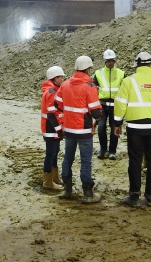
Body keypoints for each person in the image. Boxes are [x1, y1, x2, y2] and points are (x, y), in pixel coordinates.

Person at [113, 52, 151, 207]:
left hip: (135, 128)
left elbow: (120, 103)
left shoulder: (128, 81)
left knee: (135, 161)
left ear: (136, 65)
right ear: (150, 65)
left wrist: (117, 124)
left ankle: (134, 196)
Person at [60, 55, 103, 203]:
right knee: (85, 161)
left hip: (69, 129)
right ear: (88, 69)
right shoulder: (89, 87)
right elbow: (96, 113)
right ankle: (87, 194)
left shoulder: (65, 84)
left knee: (68, 159)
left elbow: (58, 103)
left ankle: (67, 190)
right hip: (84, 131)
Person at [93, 49, 124, 160]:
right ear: (105, 61)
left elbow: (125, 90)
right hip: (102, 105)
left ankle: (112, 151)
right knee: (101, 127)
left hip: (116, 106)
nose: (110, 63)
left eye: (112, 60)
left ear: (115, 61)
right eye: (108, 61)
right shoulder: (98, 73)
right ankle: (103, 149)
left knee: (114, 128)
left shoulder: (121, 73)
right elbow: (93, 90)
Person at [40, 66, 66, 191]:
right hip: (51, 128)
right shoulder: (51, 92)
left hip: (53, 128)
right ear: (55, 78)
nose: (62, 79)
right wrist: (59, 129)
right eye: (61, 77)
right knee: (50, 154)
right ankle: (48, 181)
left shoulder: (53, 90)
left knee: (55, 153)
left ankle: (54, 178)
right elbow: (51, 114)